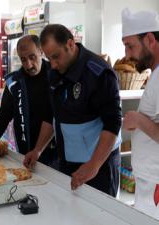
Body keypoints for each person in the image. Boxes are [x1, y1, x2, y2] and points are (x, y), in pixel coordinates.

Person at [37, 24, 122, 197]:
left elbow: (112, 124)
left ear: (70, 44)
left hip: (99, 163)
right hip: (68, 161)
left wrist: (94, 165)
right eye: (48, 59)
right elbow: (51, 114)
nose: (52, 65)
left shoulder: (98, 73)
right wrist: (38, 149)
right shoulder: (55, 71)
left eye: (56, 56)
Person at [0, 35, 57, 167]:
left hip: (56, 154)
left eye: (32, 57)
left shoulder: (57, 75)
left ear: (41, 51)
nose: (28, 65)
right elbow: (3, 117)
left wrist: (38, 150)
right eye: (23, 59)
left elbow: (54, 115)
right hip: (26, 152)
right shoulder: (14, 83)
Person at [121, 8, 159, 218]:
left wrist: (138, 119)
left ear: (150, 39)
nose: (127, 54)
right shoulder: (155, 74)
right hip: (149, 181)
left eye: (130, 45)